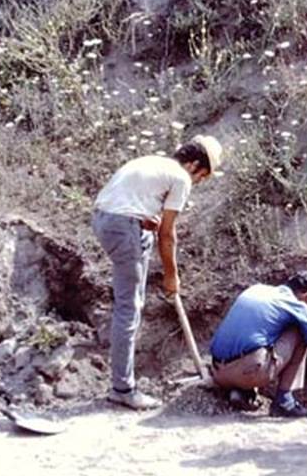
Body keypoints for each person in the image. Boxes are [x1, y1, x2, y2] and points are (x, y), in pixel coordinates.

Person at [92, 135, 223, 410]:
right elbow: (168, 235)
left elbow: (125, 204)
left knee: (132, 291)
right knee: (129, 308)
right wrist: (171, 275)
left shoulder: (153, 162)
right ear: (194, 165)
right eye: (201, 176)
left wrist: (142, 222)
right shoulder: (181, 178)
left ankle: (122, 383)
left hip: (104, 221)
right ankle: (122, 389)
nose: (198, 182)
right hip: (123, 227)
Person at [208, 271, 307, 418]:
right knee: (301, 331)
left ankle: (240, 391)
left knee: (261, 335)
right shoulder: (298, 306)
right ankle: (285, 402)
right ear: (306, 296)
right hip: (248, 373)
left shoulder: (256, 289)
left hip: (217, 372)